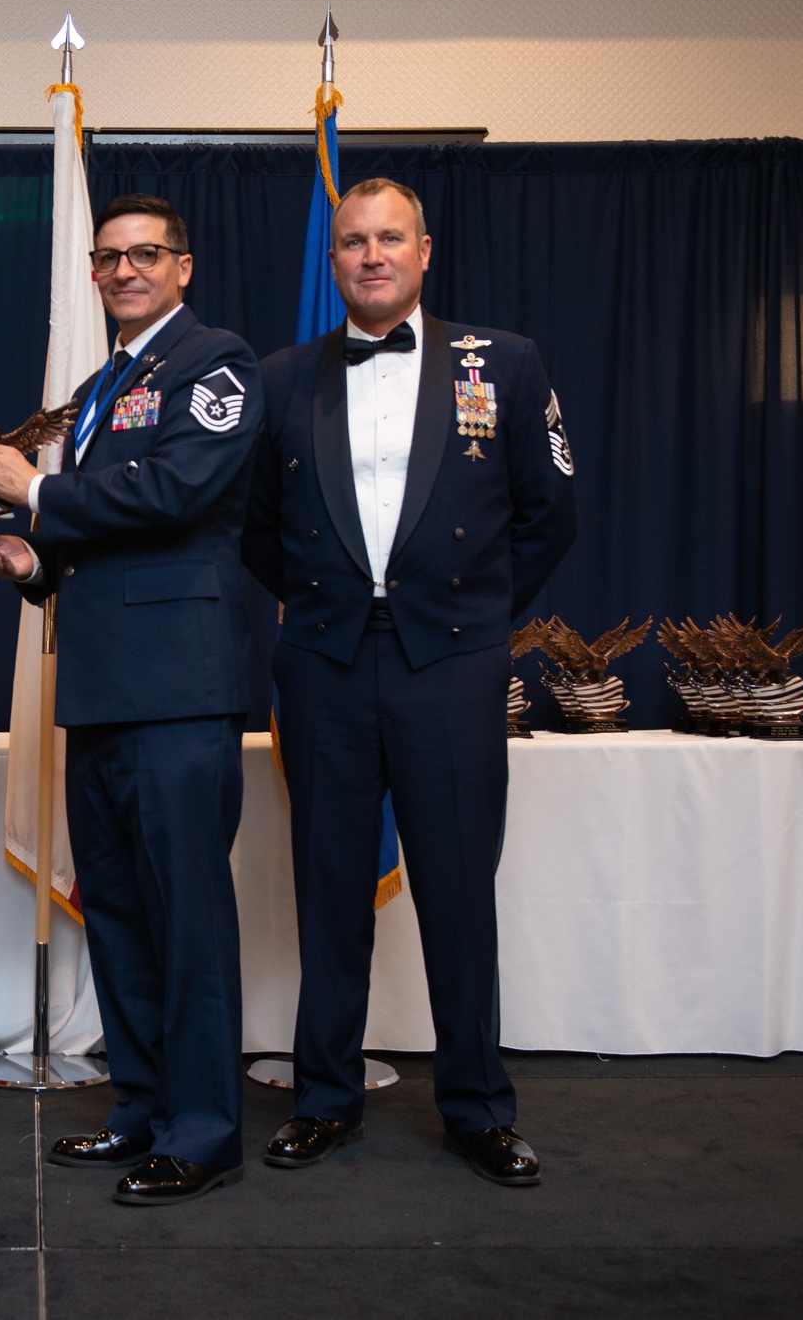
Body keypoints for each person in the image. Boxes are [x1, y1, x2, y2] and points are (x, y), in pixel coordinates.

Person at [242, 178, 578, 1187]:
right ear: (333, 260)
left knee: (456, 891)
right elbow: (254, 524)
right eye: (351, 241)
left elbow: (548, 511)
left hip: (451, 664)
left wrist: (471, 609)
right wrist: (322, 595)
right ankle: (323, 1098)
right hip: (324, 663)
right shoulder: (279, 376)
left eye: (389, 238)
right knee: (328, 889)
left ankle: (475, 1107)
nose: (370, 255)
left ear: (423, 251)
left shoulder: (503, 364)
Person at [0, 193, 263, 1206]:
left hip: (178, 690)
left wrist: (35, 493)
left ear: (182, 266)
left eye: (143, 255)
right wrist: (29, 561)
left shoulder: (216, 362)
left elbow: (178, 493)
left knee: (186, 918)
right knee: (122, 915)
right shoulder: (101, 387)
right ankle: (139, 1106)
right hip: (96, 688)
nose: (123, 270)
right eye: (107, 258)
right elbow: (94, 540)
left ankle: (206, 1129)